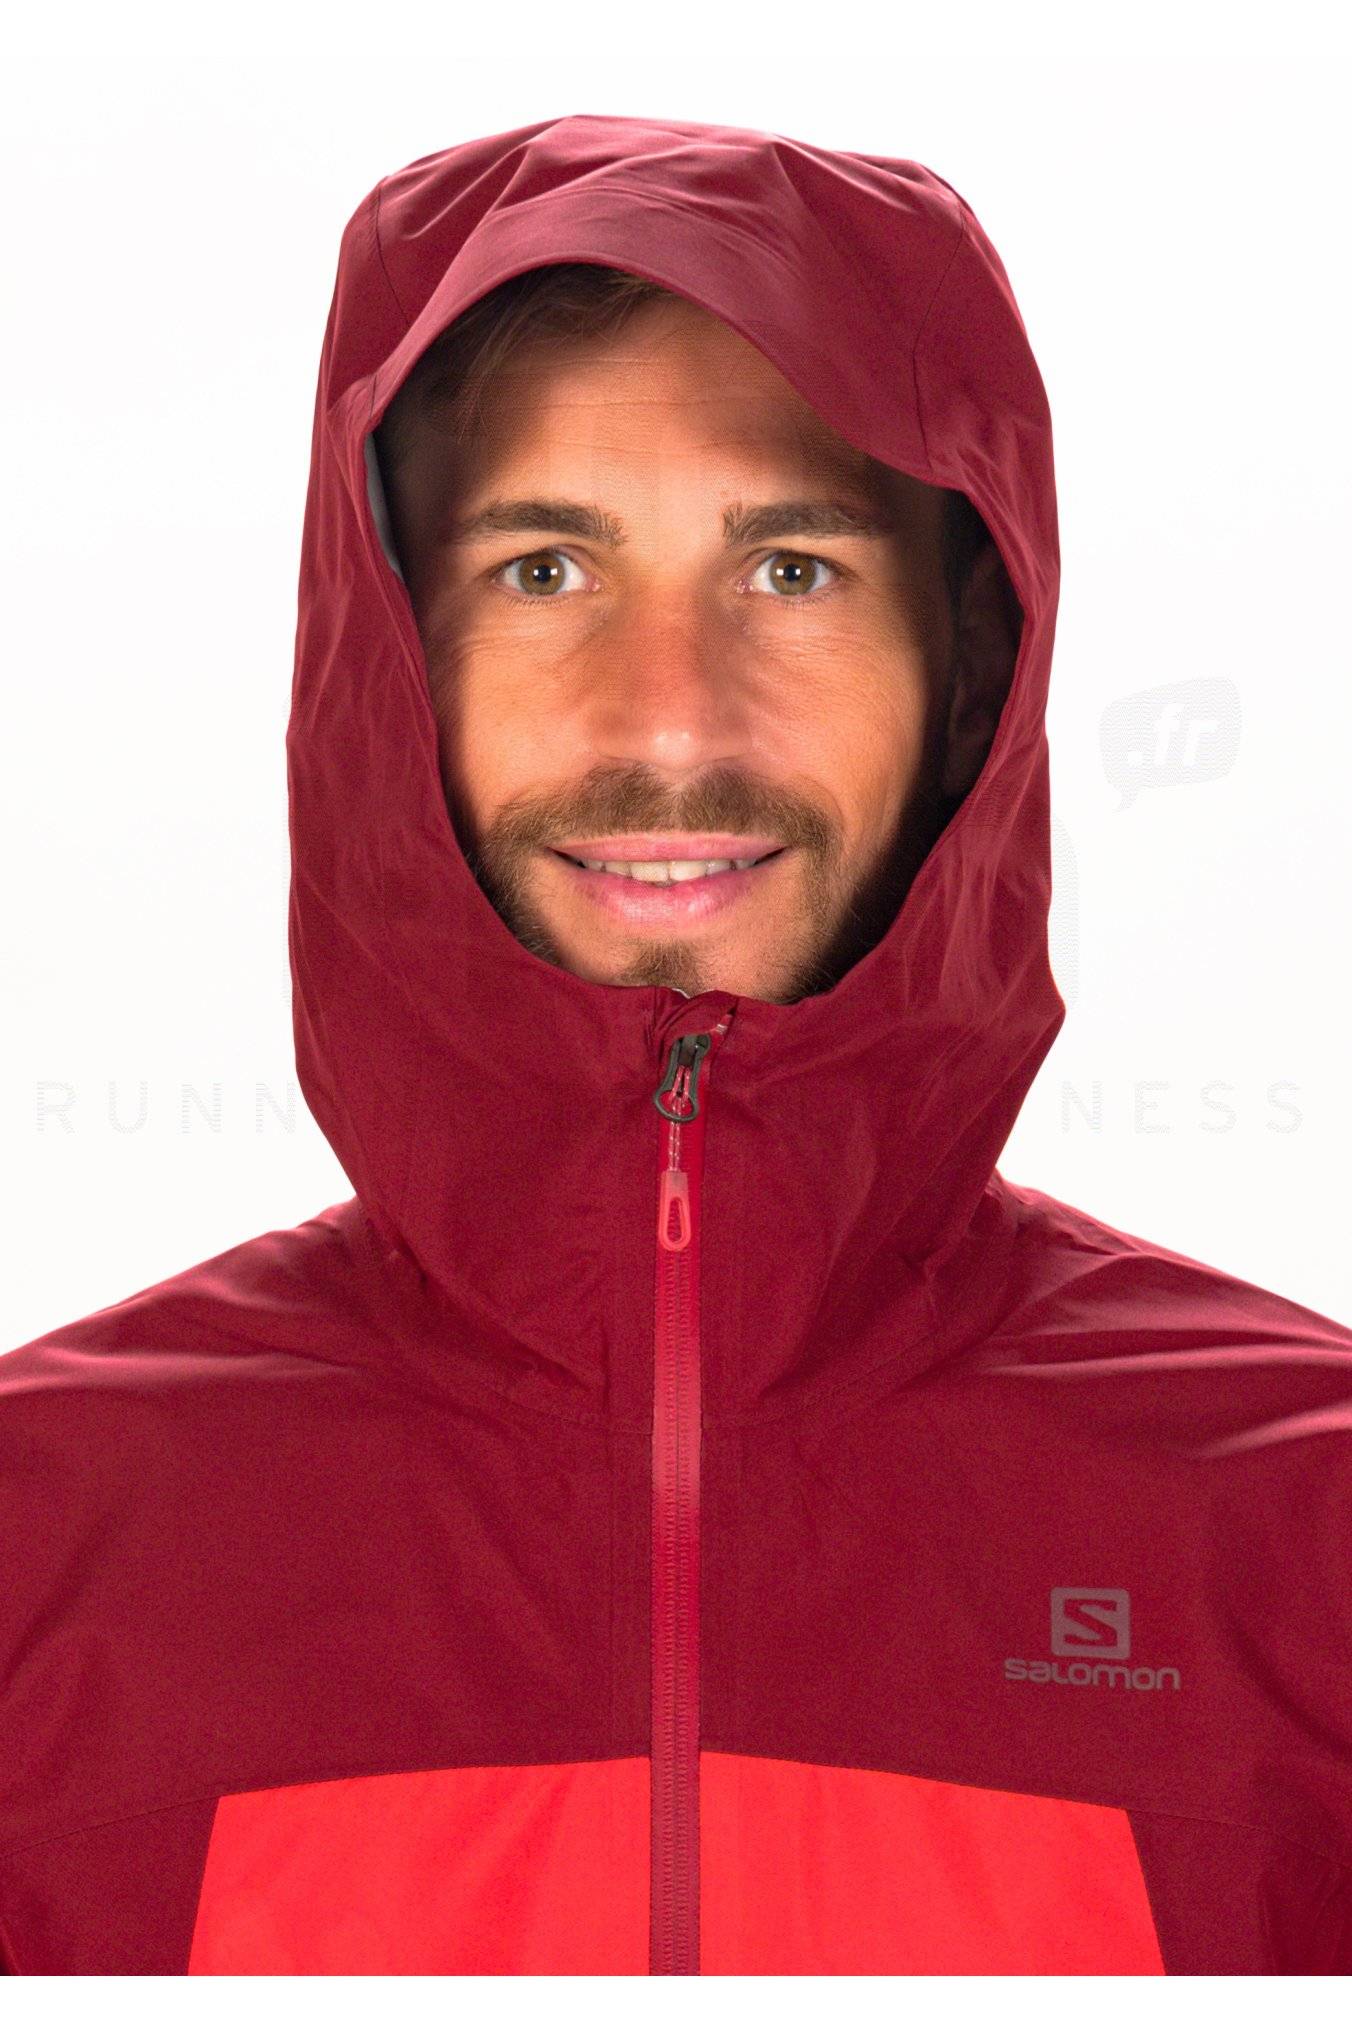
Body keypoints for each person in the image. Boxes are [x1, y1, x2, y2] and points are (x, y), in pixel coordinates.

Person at [1, 110, 1349, 1978]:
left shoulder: (1306, 1529)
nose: (670, 719)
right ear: (390, 662)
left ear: (967, 665)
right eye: (543, 569)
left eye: (791, 569)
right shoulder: (40, 1544)